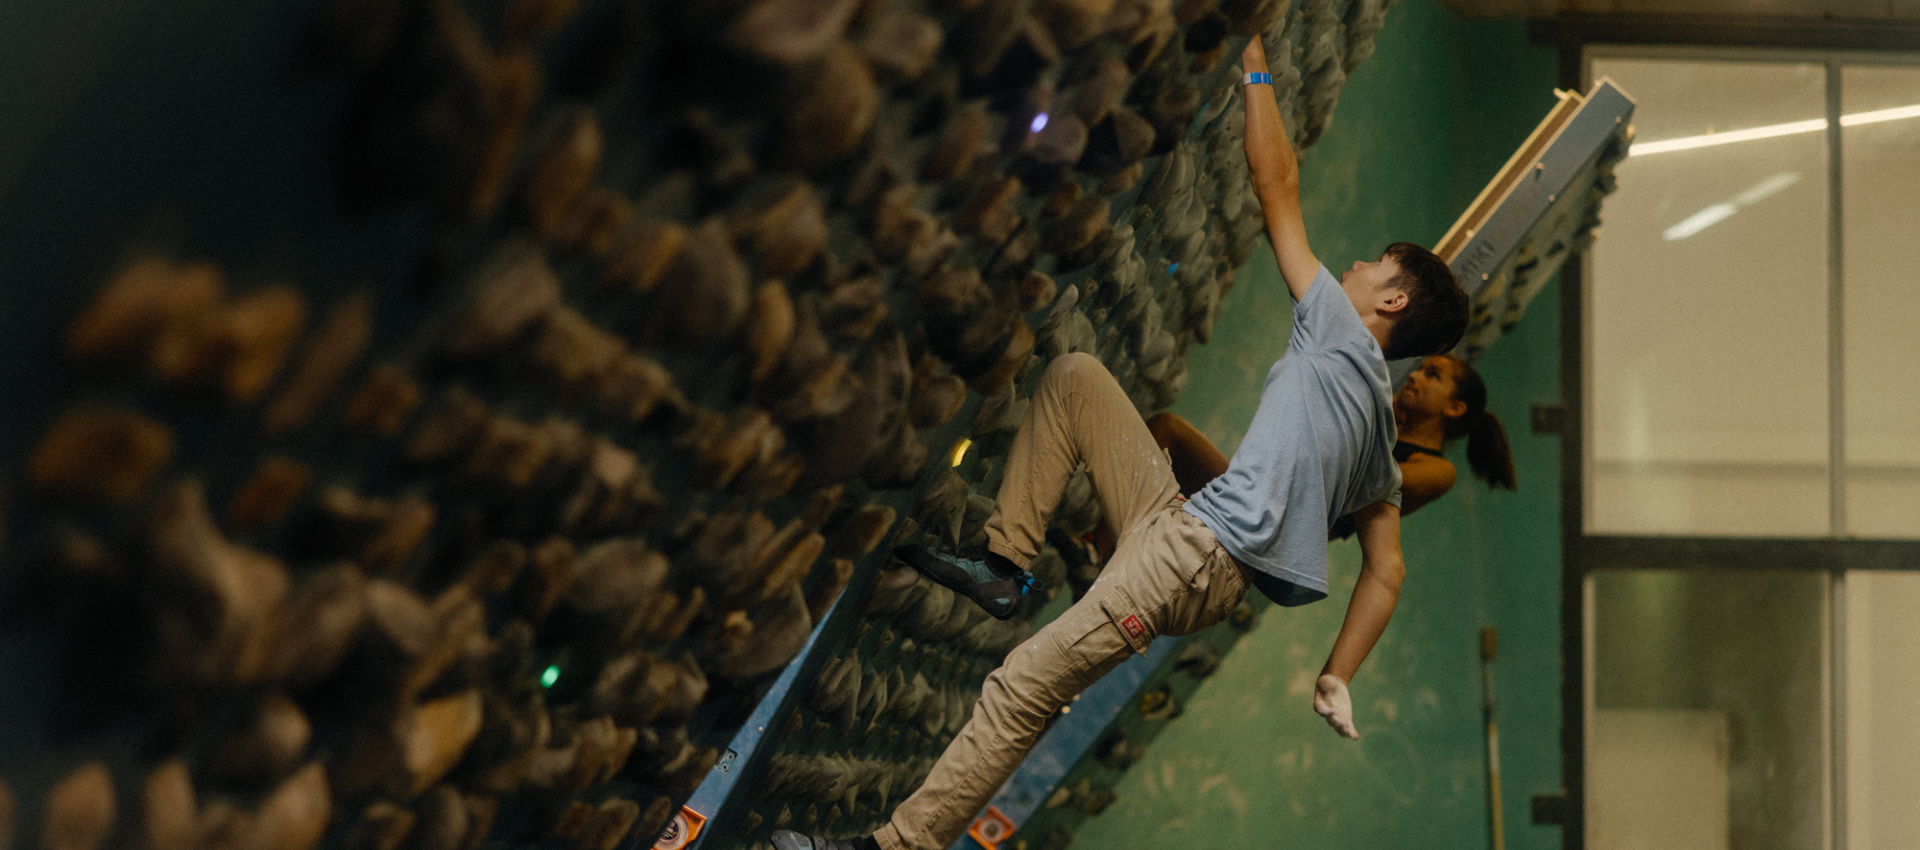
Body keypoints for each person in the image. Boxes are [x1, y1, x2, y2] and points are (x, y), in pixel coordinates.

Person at [771, 34, 1469, 850]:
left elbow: (1274, 182)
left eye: (1374, 264)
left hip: (1191, 562)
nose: (1351, 264)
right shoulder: (1380, 436)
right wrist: (1336, 676)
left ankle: (896, 848)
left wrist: (1254, 61)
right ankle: (1004, 565)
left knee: (1022, 685)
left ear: (1388, 303)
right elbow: (1387, 570)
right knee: (1073, 379)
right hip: (1179, 528)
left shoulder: (1339, 332)